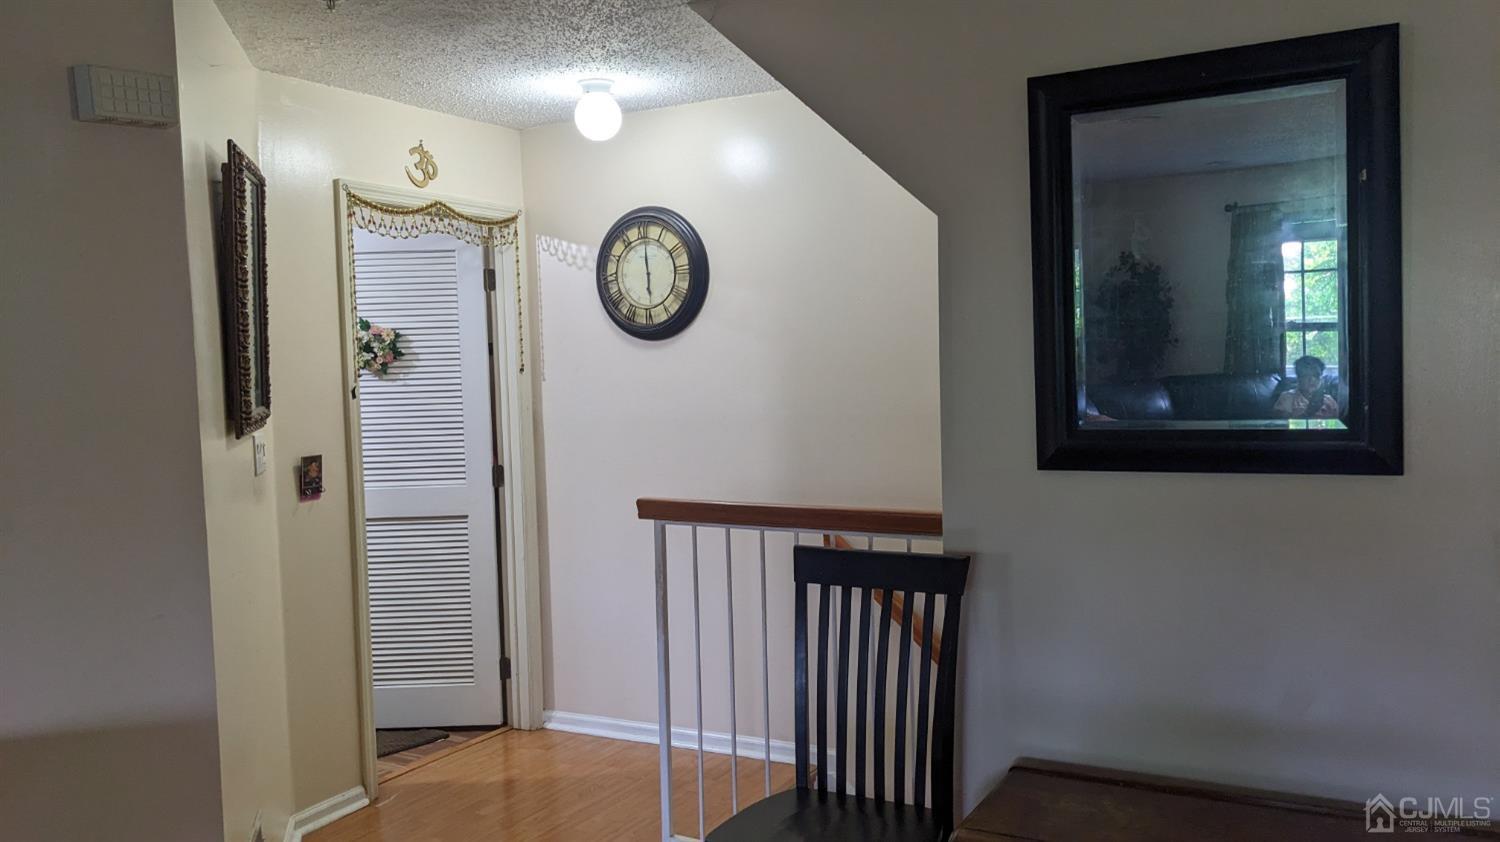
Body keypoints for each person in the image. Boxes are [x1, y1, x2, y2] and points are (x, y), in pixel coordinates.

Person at [1274, 355, 1340, 419]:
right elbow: (1283, 423)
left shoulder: (1329, 400)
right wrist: (1308, 412)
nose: (1312, 379)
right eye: (1306, 375)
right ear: (1299, 378)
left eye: (1316, 375)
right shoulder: (1287, 398)